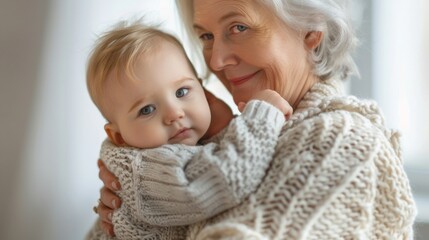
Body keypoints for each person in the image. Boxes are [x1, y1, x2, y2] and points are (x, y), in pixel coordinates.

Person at [95, 0, 417, 239]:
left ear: (310, 28)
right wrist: (134, 206)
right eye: (206, 36)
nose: (216, 61)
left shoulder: (341, 140)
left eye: (239, 27)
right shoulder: (222, 136)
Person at [85, 21, 292, 239]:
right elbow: (226, 179)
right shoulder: (145, 169)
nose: (174, 113)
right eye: (147, 110)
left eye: (182, 92)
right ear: (119, 137)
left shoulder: (167, 151)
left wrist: (222, 130)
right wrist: (262, 114)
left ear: (203, 91)